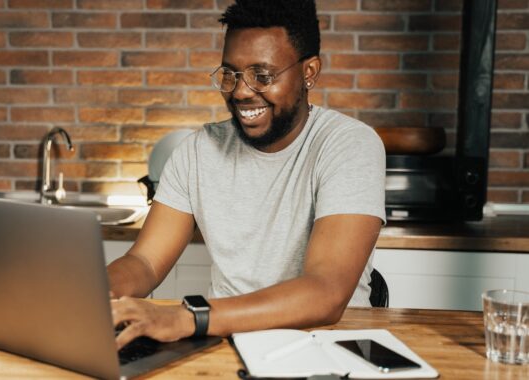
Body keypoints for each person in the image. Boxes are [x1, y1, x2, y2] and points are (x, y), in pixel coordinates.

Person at [107, 0, 386, 349]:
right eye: (231, 74)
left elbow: (325, 293)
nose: (240, 91)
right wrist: (95, 295)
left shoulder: (349, 145)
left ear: (309, 72)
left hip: (327, 347)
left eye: (262, 76)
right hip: (224, 343)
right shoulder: (197, 151)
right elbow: (145, 261)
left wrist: (187, 317)